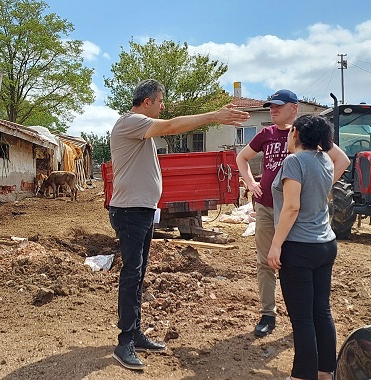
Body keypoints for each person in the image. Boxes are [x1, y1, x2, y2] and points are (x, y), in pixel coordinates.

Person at [108, 79, 250, 371]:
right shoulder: (132, 122)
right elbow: (172, 126)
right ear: (146, 101)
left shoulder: (140, 129)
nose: (163, 106)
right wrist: (212, 116)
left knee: (138, 272)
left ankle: (134, 332)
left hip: (142, 211)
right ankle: (124, 342)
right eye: (160, 101)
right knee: (132, 274)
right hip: (131, 212)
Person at [236, 89, 350, 338]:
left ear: (294, 108)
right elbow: (242, 158)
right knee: (266, 262)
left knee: (297, 265)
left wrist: (318, 188)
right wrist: (250, 183)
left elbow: (341, 161)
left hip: (296, 214)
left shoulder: (306, 133)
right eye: (271, 106)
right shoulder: (265, 134)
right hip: (267, 208)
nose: (272, 110)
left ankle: (304, 320)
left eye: (278, 106)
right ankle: (268, 314)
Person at [268, 114, 341, 380]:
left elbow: (292, 207)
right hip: (325, 244)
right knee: (321, 311)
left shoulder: (294, 161)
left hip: (299, 247)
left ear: (296, 132)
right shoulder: (325, 161)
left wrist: (276, 245)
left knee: (302, 319)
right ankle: (325, 373)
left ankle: (301, 376)